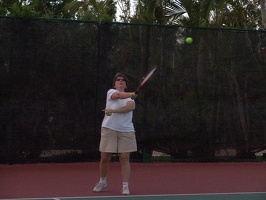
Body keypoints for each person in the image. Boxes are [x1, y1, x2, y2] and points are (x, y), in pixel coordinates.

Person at [93, 72, 138, 195]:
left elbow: (128, 108)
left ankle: (125, 186)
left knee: (124, 158)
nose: (120, 81)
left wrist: (113, 110)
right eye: (118, 80)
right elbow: (118, 96)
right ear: (115, 84)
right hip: (109, 129)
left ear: (126, 85)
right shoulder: (111, 93)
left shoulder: (130, 100)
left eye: (123, 80)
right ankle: (102, 181)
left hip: (126, 130)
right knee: (105, 158)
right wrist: (130, 94)